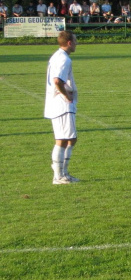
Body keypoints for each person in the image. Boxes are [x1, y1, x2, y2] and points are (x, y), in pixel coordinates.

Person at [44, 30, 81, 185]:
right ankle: (59, 175)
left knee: (70, 139)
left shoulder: (57, 56)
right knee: (63, 140)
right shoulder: (64, 59)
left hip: (58, 104)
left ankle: (62, 173)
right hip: (62, 104)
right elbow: (57, 80)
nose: (77, 44)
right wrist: (67, 96)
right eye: (75, 41)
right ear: (69, 43)